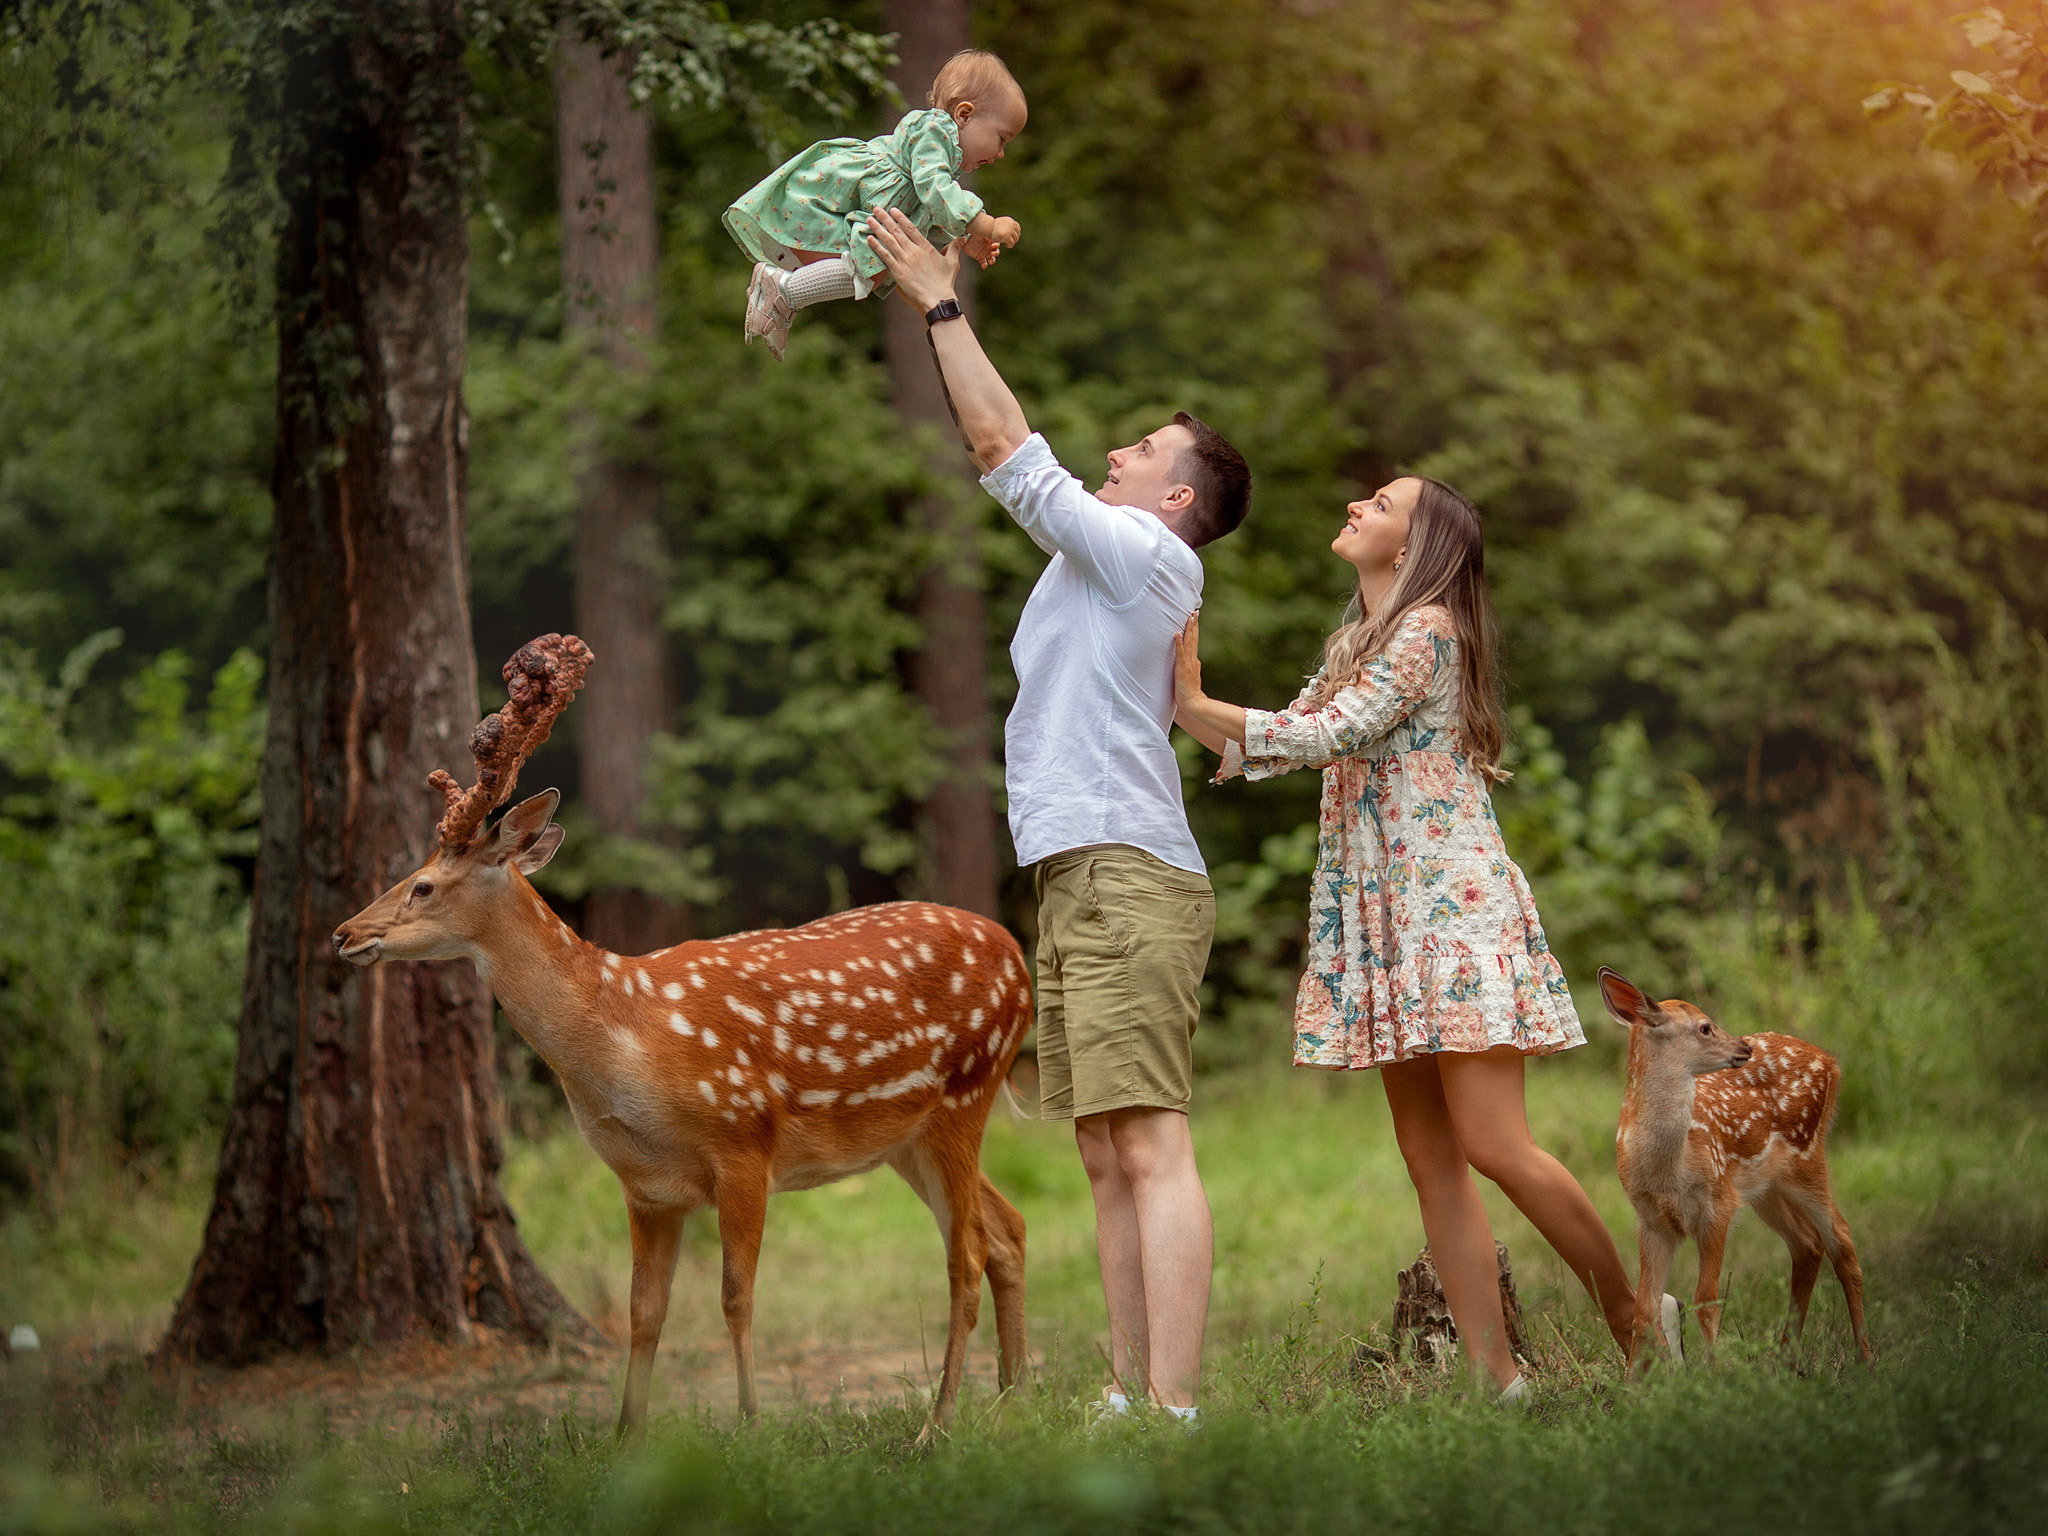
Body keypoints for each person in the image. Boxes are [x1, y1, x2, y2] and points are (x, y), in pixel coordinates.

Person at [865, 206, 1253, 1421]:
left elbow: (1004, 447)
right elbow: (1015, 468)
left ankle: (1175, 1411)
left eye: (1141, 447)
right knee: (1099, 1149)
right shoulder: (1096, 564)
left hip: (1132, 875)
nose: (1119, 451)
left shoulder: (1150, 557)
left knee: (1150, 1141)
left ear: (1176, 494)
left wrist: (939, 302)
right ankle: (1131, 1395)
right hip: (1076, 874)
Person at [1171, 475, 1642, 1402]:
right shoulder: (1356, 639)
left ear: (1419, 545)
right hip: (1383, 917)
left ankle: (1638, 1326)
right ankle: (1495, 1377)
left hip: (1448, 909)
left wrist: (1192, 691)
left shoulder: (1430, 630)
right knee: (1430, 1156)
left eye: (1379, 503)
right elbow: (1279, 738)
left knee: (1495, 1143)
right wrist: (1183, 695)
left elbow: (1325, 735)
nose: (1353, 506)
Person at [724, 49, 1026, 359]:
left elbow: (927, 217)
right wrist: (986, 223)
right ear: (964, 114)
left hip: (881, 203)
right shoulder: (936, 131)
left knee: (873, 269)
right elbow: (936, 190)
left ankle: (785, 293)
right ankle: (784, 290)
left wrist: (966, 241)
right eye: (1002, 138)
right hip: (871, 195)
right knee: (870, 268)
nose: (1001, 153)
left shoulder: (942, 152)